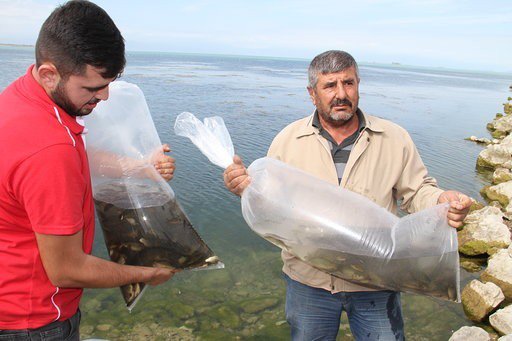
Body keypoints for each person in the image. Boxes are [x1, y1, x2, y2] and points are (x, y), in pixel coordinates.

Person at [223, 50, 472, 341]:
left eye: (349, 83)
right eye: (330, 86)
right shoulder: (287, 140)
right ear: (312, 93)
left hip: (377, 281)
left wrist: (441, 202)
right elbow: (272, 204)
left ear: (358, 85)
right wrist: (245, 189)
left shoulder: (393, 137)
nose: (341, 94)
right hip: (308, 281)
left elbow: (417, 191)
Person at [0, 1, 176, 339]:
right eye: (93, 88)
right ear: (50, 73)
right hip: (34, 321)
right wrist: (145, 273)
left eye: (110, 83)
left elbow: (82, 155)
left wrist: (141, 167)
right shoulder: (50, 149)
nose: (106, 97)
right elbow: (67, 270)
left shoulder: (22, 96)